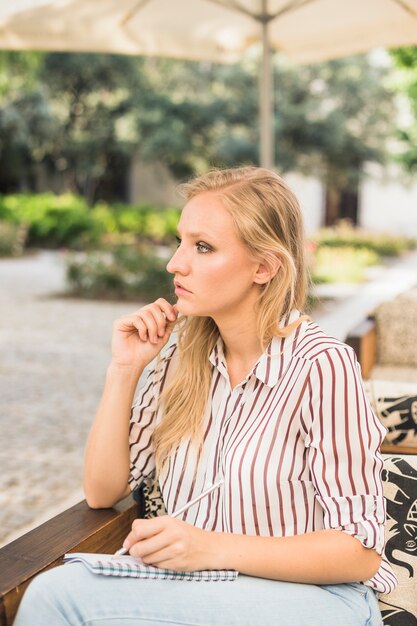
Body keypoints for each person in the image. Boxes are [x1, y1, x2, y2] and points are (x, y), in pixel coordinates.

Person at [14, 166, 396, 626]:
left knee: (61, 599)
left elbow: (360, 552)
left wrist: (208, 547)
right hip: (202, 591)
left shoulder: (321, 365)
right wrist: (125, 369)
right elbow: (102, 490)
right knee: (54, 591)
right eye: (180, 241)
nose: (175, 263)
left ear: (264, 267)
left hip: (316, 600)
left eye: (202, 247)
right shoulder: (183, 357)